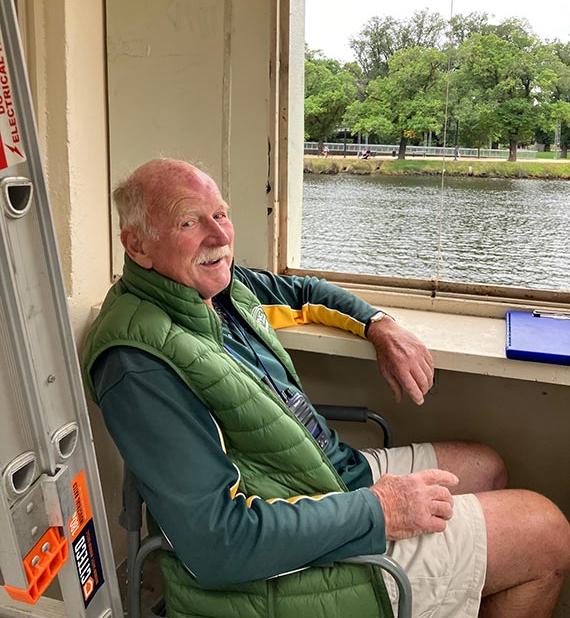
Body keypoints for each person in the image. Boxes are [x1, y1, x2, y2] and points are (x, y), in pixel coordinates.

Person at [82, 158, 570, 618]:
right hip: (287, 569)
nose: (220, 236)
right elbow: (219, 542)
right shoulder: (138, 362)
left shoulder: (220, 291)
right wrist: (379, 511)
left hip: (329, 479)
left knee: (486, 464)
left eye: (222, 214)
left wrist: (380, 325)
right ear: (137, 245)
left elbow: (309, 294)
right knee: (547, 534)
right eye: (190, 223)